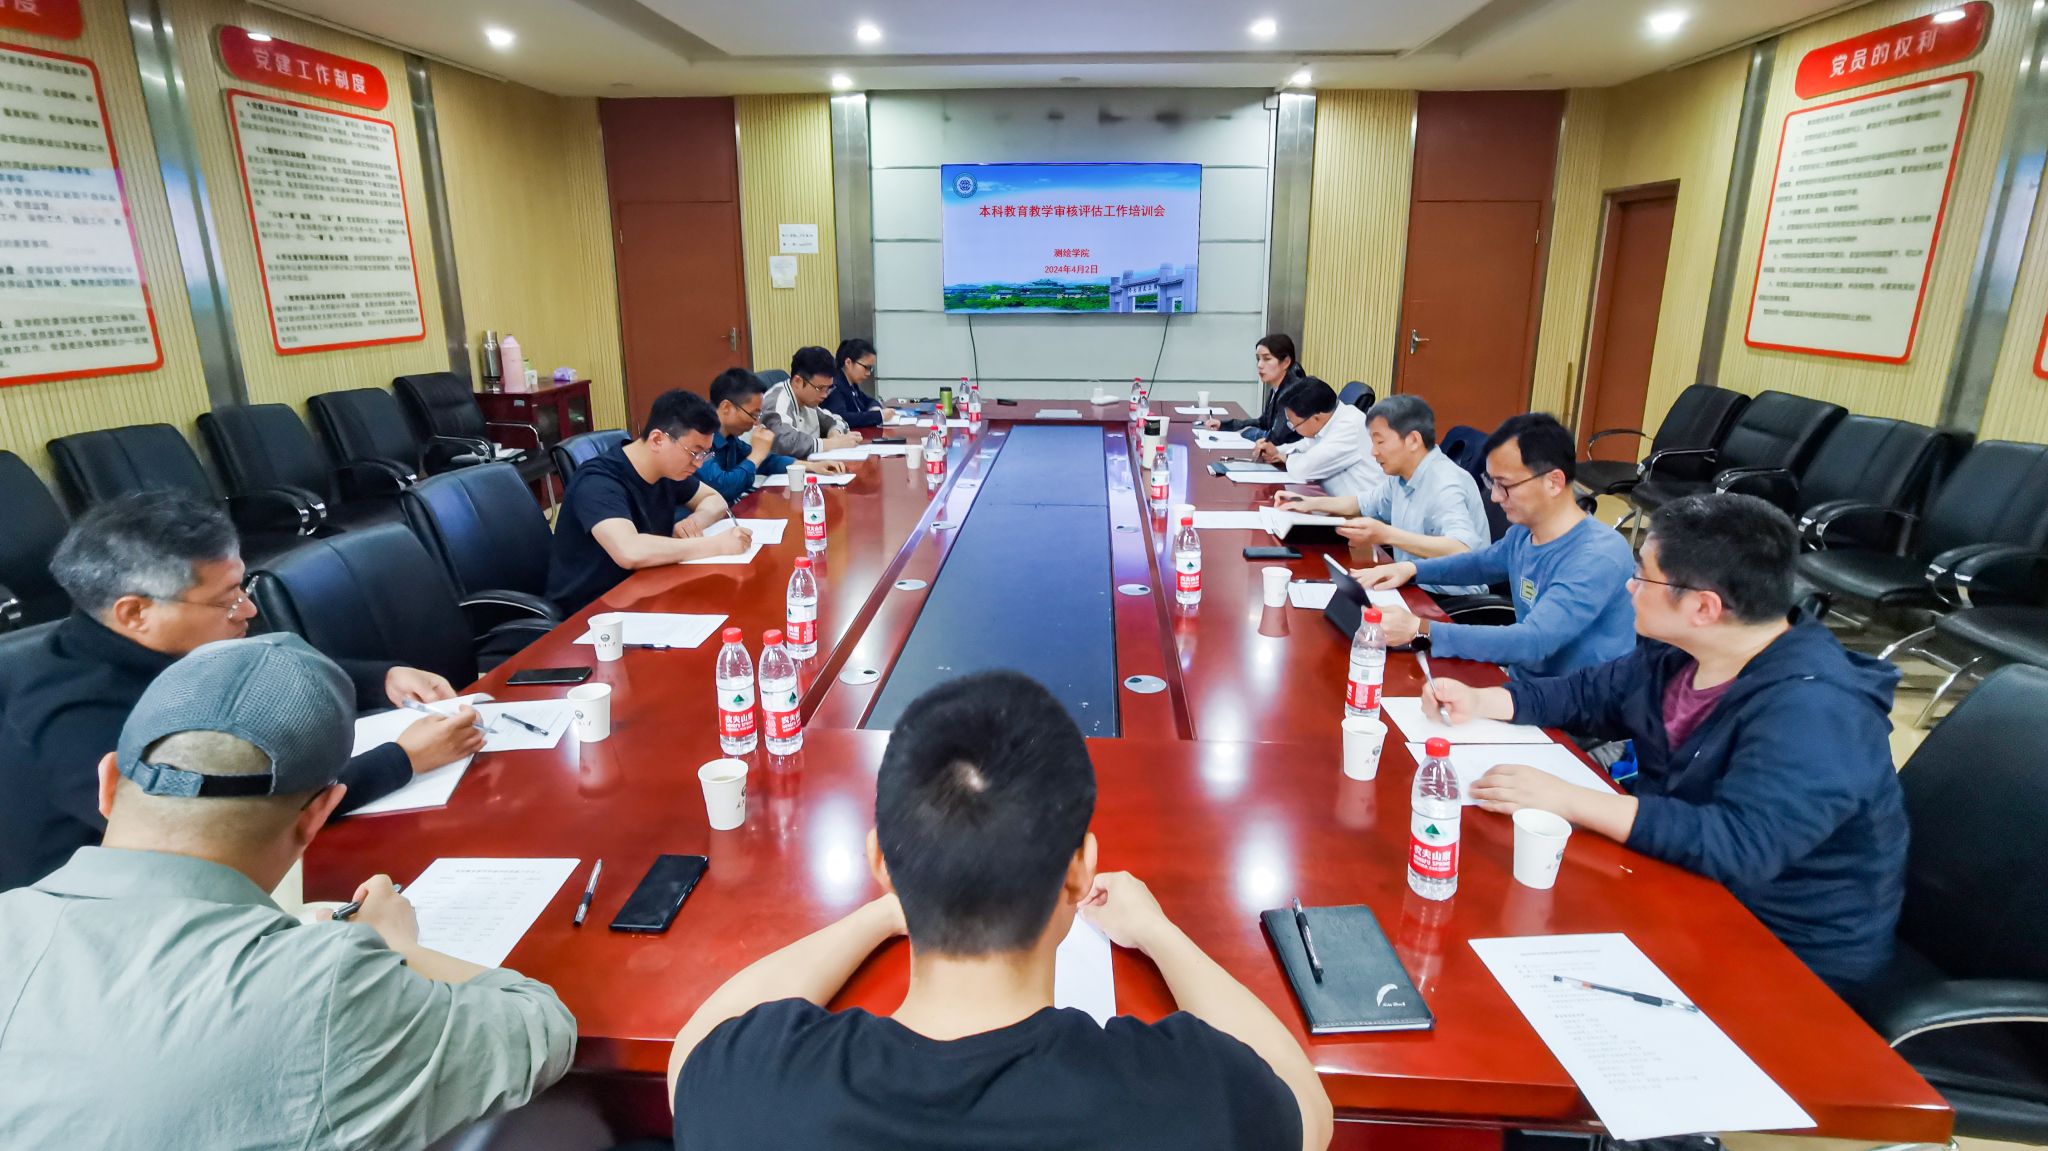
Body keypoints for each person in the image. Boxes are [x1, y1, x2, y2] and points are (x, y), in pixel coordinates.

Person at [667, 671, 1332, 1151]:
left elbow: (696, 1044)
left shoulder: (752, 1087)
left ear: (880, 862)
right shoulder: (1178, 1103)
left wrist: (888, 911)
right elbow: (1306, 1106)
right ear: (1080, 872)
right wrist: (1160, 934)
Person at [0, 634, 576, 1148]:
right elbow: (540, 1030)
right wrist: (397, 945)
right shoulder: (323, 983)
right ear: (318, 814)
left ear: (107, 784)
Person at [1431, 494, 1906, 992]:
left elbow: (1737, 845)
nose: (1630, 586)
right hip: (1675, 883)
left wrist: (1568, 798)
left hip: (1783, 951)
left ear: (1703, 607)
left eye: (1644, 576)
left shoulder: (1816, 711)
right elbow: (1590, 694)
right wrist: (1484, 700)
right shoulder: (1682, 651)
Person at [0, 492, 482, 892]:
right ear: (135, 612)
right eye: (226, 599)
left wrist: (382, 678)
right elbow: (220, 822)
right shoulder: (67, 713)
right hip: (104, 916)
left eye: (241, 587)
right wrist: (403, 759)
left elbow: (268, 679)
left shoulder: (170, 645)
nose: (248, 610)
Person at [1353, 413, 1634, 679]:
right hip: (1525, 686)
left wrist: (1421, 629)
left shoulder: (1597, 556)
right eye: (1492, 483)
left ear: (1553, 482)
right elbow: (1481, 563)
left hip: (1576, 705)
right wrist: (1411, 569)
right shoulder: (1526, 532)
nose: (1496, 497)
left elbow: (1533, 641)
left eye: (1504, 485)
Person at [545, 387, 751, 612]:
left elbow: (715, 499)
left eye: (705, 454)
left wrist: (694, 522)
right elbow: (629, 551)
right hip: (592, 612)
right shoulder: (598, 482)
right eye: (694, 452)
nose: (699, 463)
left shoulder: (666, 470)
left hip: (646, 589)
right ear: (657, 440)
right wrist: (716, 545)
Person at [1274, 393, 1488, 595]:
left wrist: (1386, 534)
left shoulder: (1445, 483)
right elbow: (1362, 503)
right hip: (1411, 582)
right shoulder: (1402, 475)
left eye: (1380, 442)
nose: (1373, 452)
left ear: (1413, 440)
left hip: (1447, 599)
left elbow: (1462, 550)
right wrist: (1309, 503)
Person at [696, 368, 846, 504]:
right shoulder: (699, 437)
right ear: (726, 407)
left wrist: (813, 466)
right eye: (753, 414)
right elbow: (723, 488)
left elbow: (768, 461)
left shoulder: (729, 436)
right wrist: (757, 455)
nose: (756, 422)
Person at [1252, 376, 1385, 504]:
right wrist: (1276, 450)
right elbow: (1307, 444)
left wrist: (1286, 457)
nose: (1293, 429)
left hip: (1362, 512)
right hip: (1336, 503)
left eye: (1293, 425)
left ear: (1315, 418)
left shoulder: (1349, 427)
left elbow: (1303, 470)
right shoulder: (1331, 418)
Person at [763, 346, 866, 459]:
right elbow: (786, 442)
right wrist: (833, 444)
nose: (825, 395)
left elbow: (836, 420)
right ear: (798, 382)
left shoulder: (807, 402)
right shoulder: (778, 401)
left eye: (828, 388)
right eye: (820, 388)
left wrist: (835, 433)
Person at [1203, 333, 1305, 446]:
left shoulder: (1292, 393)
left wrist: (1244, 433)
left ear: (1286, 362)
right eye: (1258, 359)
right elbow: (1263, 423)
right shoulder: (1276, 388)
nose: (1260, 365)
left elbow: (1276, 439)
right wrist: (1225, 425)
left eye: (1267, 359)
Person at [820, 337, 898, 430]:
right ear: (848, 362)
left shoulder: (851, 384)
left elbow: (869, 400)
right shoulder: (835, 385)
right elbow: (842, 417)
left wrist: (875, 408)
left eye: (871, 369)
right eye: (866, 367)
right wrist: (878, 416)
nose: (868, 373)